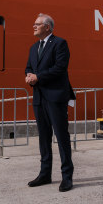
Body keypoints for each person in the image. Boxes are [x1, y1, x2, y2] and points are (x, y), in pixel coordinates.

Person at [25, 13, 75, 192]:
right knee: (44, 138)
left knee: (62, 137)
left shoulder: (60, 44)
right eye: (34, 23)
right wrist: (29, 76)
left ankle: (67, 177)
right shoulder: (33, 48)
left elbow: (60, 68)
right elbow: (29, 66)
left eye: (37, 24)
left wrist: (38, 77)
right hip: (39, 97)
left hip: (55, 97)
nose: (34, 26)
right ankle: (45, 174)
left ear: (48, 27)